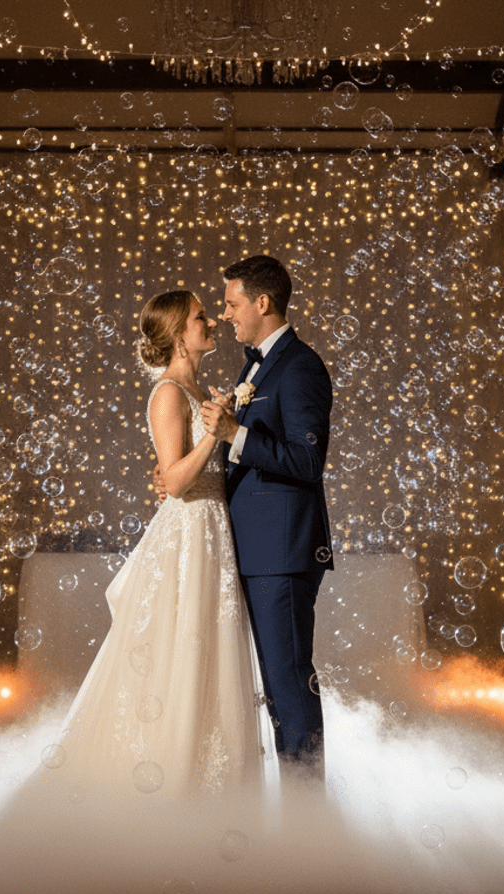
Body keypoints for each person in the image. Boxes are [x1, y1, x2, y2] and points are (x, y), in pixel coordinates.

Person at [43, 289, 265, 801]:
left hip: (213, 532)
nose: (211, 321)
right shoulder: (169, 393)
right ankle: (172, 783)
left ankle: (214, 788)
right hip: (188, 537)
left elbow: (187, 474)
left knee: (211, 654)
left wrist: (216, 430)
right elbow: (178, 480)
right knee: (180, 651)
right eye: (200, 317)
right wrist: (217, 432)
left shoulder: (200, 388)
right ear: (178, 336)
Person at [197, 255, 334, 783]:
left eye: (232, 304)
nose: (226, 315)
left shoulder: (300, 366)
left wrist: (236, 433)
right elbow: (249, 458)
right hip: (256, 549)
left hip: (282, 551)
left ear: (262, 302)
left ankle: (307, 818)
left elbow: (305, 461)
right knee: (274, 687)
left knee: (288, 681)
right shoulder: (255, 364)